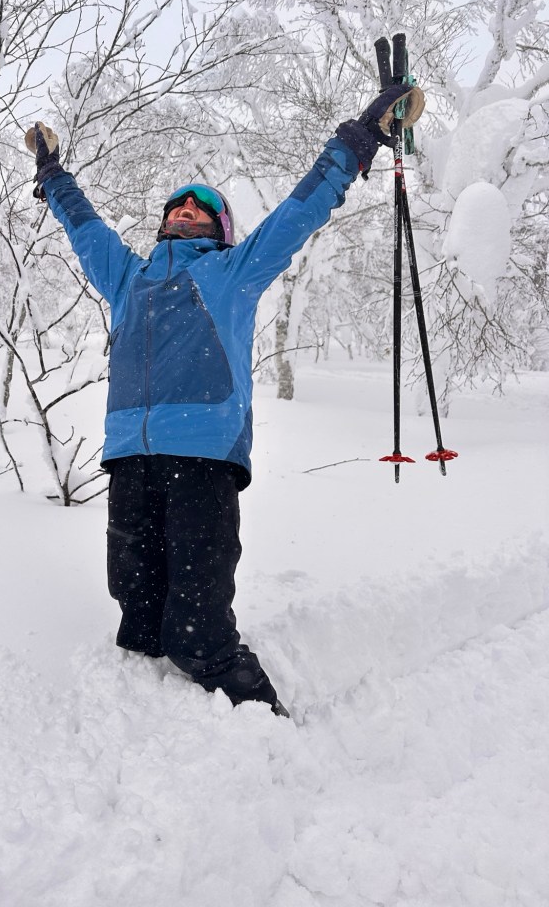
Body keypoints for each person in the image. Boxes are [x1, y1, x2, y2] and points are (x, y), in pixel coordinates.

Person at [25, 83, 422, 717]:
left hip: (204, 453)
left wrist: (361, 138)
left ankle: (260, 717)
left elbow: (300, 209)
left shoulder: (234, 271)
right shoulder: (128, 277)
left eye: (201, 206)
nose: (185, 207)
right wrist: (52, 175)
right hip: (130, 450)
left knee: (198, 619)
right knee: (134, 598)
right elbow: (83, 224)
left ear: (220, 227)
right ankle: (158, 708)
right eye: (177, 205)